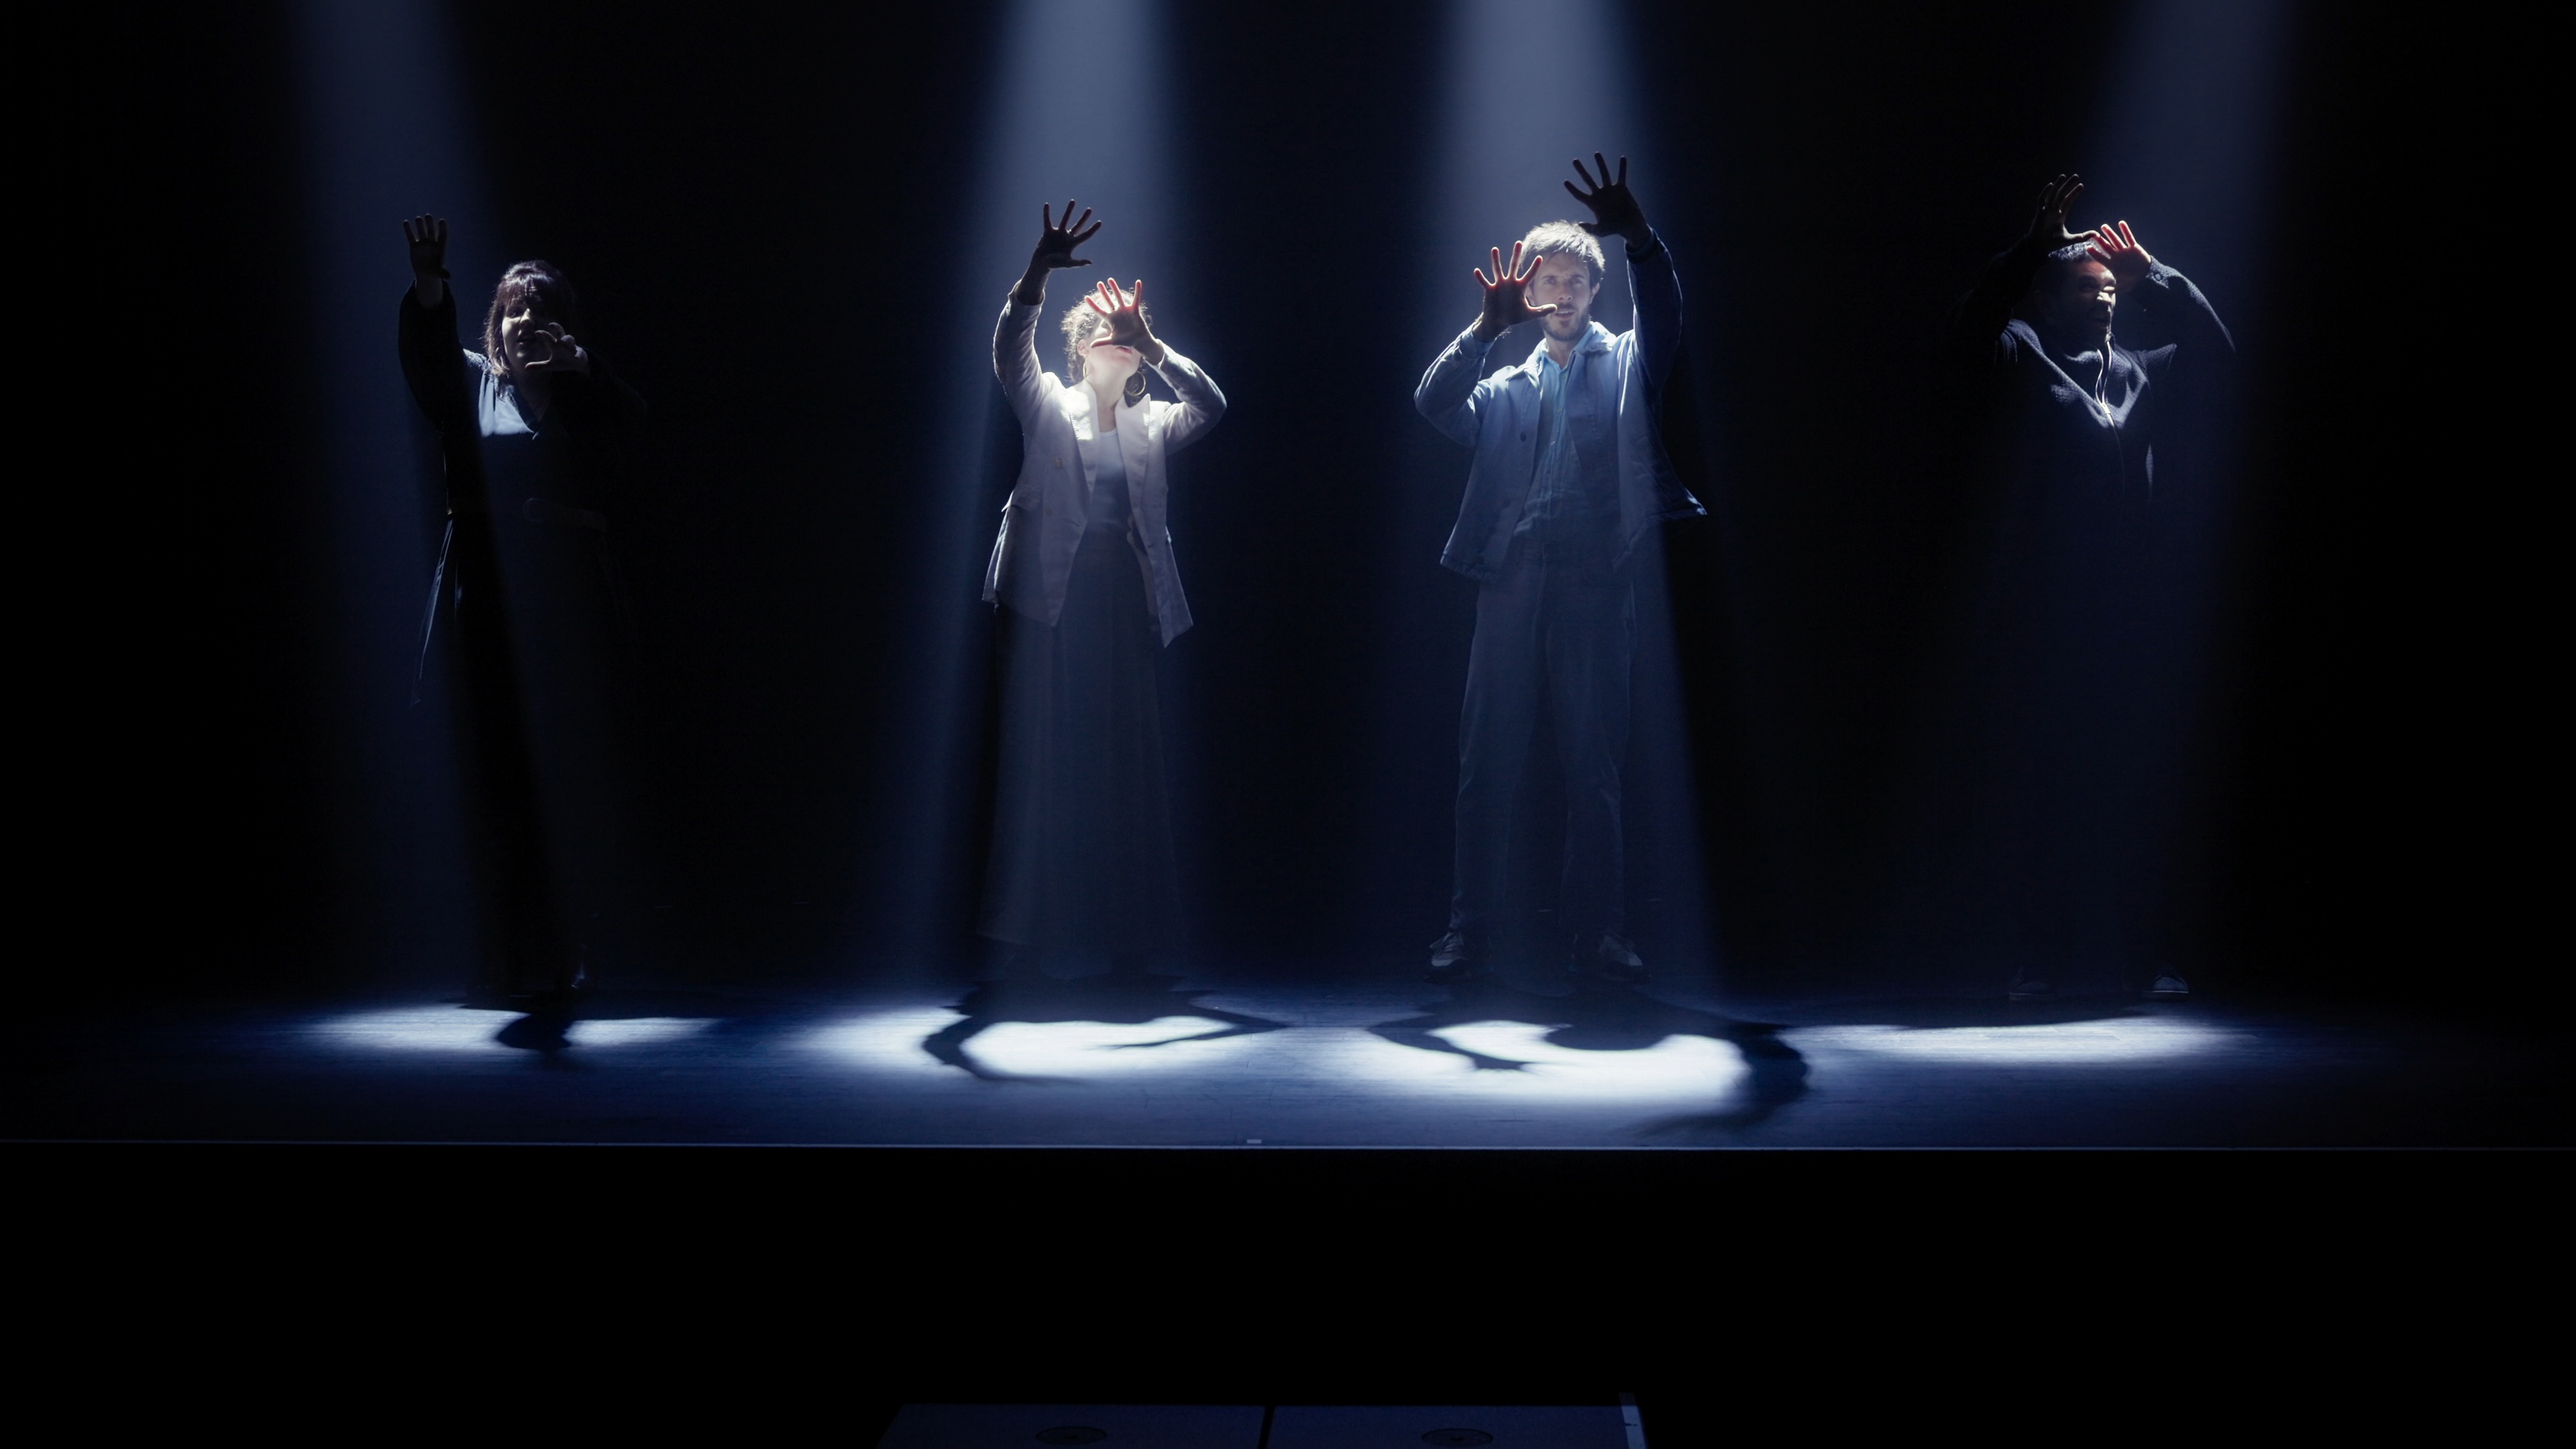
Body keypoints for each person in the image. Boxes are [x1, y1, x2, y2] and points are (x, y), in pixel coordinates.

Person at [1414, 156, 1703, 985]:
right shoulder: (1502, 381)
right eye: (1549, 280)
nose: (1565, 292)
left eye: (1578, 279)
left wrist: (1641, 236)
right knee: (1484, 764)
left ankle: (1599, 934)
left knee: (1593, 764)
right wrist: (1481, 330)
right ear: (1527, 292)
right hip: (1509, 580)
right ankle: (1469, 930)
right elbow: (1432, 404)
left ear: (1595, 291)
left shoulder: (1628, 364)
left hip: (1593, 579)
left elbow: (1669, 310)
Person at [1949, 174, 2235, 1002]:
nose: (2106, 299)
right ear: (2051, 297)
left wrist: (2159, 277)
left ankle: (2140, 955)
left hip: (2127, 615)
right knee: (2040, 788)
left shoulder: (2145, 367)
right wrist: (2033, 247)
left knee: (2127, 788)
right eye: (2089, 287)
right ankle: (2032, 957)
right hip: (2042, 614)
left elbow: (2221, 356)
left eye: (2112, 288)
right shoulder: (2020, 351)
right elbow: (1968, 329)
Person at [397, 215, 651, 1005]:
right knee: (498, 788)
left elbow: (639, 440)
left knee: (571, 783)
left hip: (566, 613)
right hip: (491, 615)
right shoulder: (471, 380)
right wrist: (431, 283)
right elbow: (427, 362)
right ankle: (501, 954)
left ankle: (576, 947)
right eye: (514, 309)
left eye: (543, 310)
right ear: (495, 324)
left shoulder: (582, 393)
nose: (527, 321)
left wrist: (588, 370)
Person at [978, 200, 1226, 974]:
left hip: (1125, 604)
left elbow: (1212, 405)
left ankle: (1128, 937)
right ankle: (1029, 939)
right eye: (1108, 335)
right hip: (1055, 605)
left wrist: (1156, 344)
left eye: (1129, 336)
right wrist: (1038, 273)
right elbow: (1009, 349)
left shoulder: (1154, 424)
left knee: (1127, 763)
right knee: (1050, 761)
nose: (1119, 343)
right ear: (1082, 351)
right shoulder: (1050, 405)